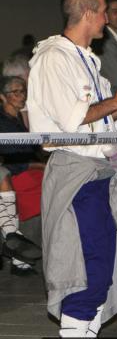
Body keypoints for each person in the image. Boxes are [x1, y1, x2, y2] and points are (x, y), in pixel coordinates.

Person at [28, 0, 117, 339]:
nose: (108, 18)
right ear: (88, 13)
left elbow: (102, 120)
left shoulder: (87, 58)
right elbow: (72, 120)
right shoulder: (53, 57)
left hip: (99, 174)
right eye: (104, 11)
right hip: (76, 174)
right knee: (84, 272)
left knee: (102, 270)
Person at [0, 75, 43, 274]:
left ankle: (17, 248)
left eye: (23, 91)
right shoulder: (3, 121)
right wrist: (39, 165)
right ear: (2, 97)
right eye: (15, 92)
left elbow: (34, 147)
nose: (21, 96)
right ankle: (16, 248)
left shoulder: (18, 118)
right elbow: (14, 159)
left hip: (20, 169)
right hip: (16, 171)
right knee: (45, 184)